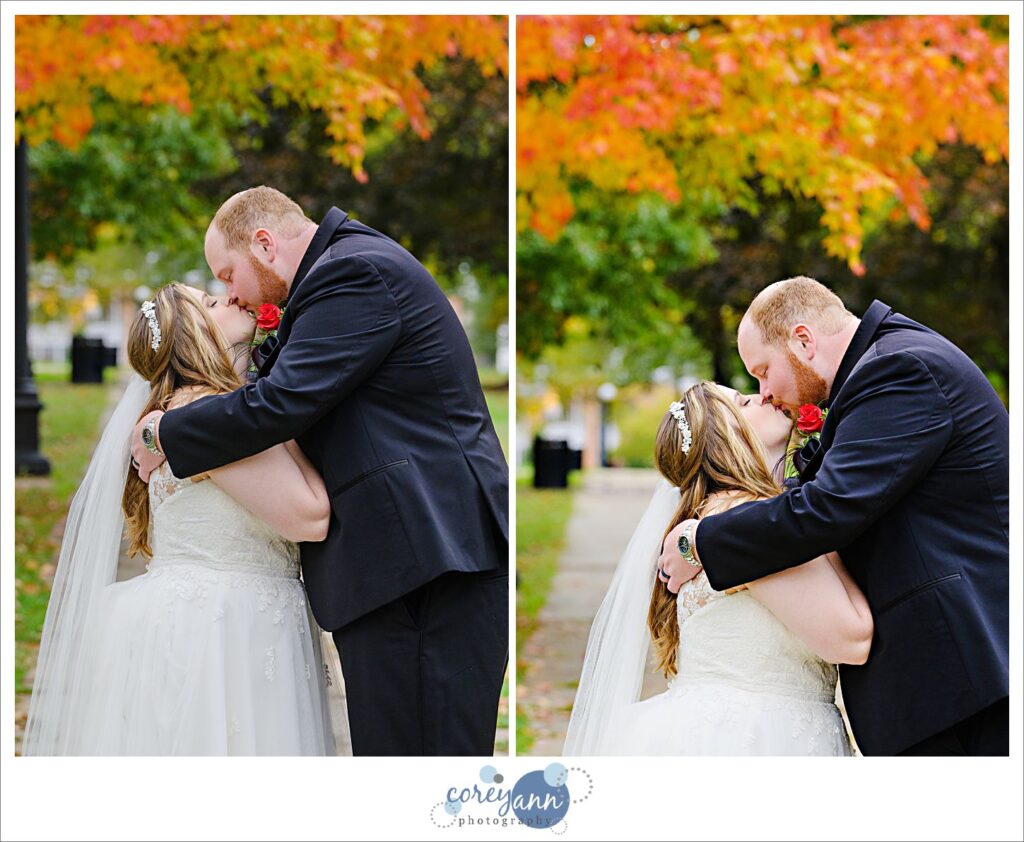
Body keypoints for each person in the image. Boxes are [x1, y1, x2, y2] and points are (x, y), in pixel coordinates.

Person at [131, 187, 509, 756]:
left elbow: (279, 405)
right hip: (406, 567)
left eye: (228, 274)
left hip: (426, 567)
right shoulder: (342, 272)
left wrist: (165, 432)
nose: (229, 292)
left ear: (264, 244)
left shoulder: (352, 272)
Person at [660, 277, 1009, 756]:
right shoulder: (881, 371)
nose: (763, 393)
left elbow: (827, 508)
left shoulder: (898, 369)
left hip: (963, 681)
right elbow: (814, 499)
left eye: (763, 372)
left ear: (803, 341)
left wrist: (701, 543)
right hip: (944, 688)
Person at [23, 283, 336, 755]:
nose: (230, 297)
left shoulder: (184, 415)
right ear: (192, 338)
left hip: (216, 619)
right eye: (210, 303)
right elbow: (310, 518)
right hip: (223, 631)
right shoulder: (206, 416)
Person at [565, 381, 872, 755]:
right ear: (723, 438)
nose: (764, 395)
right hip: (753, 739)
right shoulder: (741, 520)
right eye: (744, 401)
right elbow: (852, 639)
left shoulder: (725, 521)